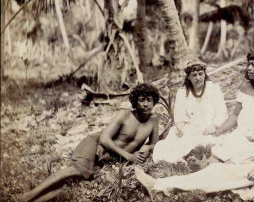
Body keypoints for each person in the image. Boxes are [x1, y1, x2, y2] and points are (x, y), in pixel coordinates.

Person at [18, 83, 160, 202]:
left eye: (149, 100)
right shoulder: (125, 114)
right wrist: (129, 156)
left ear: (154, 101)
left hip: (110, 157)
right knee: (76, 170)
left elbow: (156, 144)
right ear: (135, 101)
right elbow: (104, 139)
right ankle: (26, 197)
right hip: (95, 144)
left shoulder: (153, 120)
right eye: (142, 100)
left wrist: (148, 147)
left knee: (72, 184)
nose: (146, 104)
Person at [152, 59, 228, 163]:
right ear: (188, 77)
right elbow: (179, 115)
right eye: (194, 75)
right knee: (175, 139)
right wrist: (181, 128)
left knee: (209, 141)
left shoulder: (214, 89)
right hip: (190, 129)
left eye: (201, 74)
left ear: (205, 74)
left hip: (209, 129)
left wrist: (214, 125)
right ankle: (179, 159)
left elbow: (222, 112)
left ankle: (189, 157)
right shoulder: (182, 92)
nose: (198, 78)